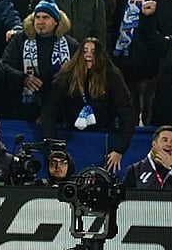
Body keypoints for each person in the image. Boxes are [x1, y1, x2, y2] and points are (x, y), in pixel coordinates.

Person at [41, 37, 136, 173]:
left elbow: (127, 111)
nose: (88, 55)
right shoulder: (67, 75)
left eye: (93, 52)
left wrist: (120, 149)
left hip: (103, 133)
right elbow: (49, 109)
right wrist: (54, 147)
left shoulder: (112, 76)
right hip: (71, 134)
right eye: (85, 51)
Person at [0, 0, 79, 122]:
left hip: (60, 109)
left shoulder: (71, 45)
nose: (40, 21)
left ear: (56, 22)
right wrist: (23, 78)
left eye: (45, 17)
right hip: (23, 108)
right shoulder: (20, 40)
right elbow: (4, 66)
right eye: (37, 17)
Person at [123, 126, 172, 190]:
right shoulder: (135, 170)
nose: (169, 144)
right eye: (165, 140)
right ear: (154, 144)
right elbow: (124, 198)